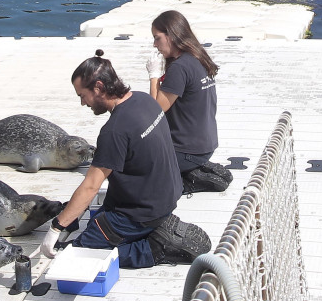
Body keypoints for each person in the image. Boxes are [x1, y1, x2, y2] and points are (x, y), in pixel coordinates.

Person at [40, 50, 211, 268]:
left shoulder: (115, 130)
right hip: (168, 195)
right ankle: (156, 227)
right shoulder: (144, 100)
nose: (83, 103)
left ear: (99, 88)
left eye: (82, 96)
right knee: (95, 223)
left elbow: (91, 186)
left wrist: (56, 227)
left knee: (83, 249)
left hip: (143, 212)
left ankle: (154, 248)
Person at [144, 11, 232, 193]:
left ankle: (187, 179)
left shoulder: (179, 67)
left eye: (157, 38)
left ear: (171, 35)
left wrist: (153, 76)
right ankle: (192, 169)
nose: (154, 44)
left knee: (136, 164)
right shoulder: (197, 57)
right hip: (205, 145)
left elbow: (155, 111)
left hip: (186, 150)